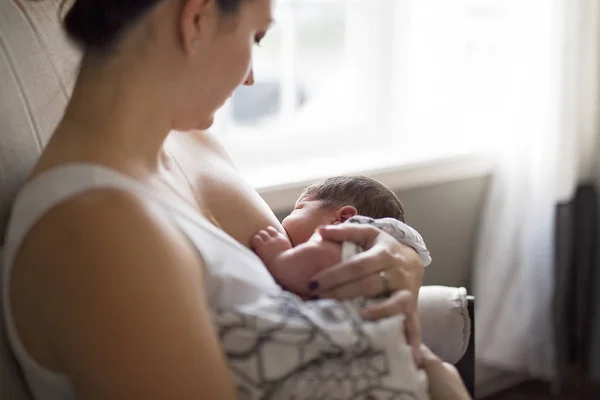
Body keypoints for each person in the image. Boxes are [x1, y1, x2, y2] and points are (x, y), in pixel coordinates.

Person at [1, 0, 471, 398]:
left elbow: (294, 297)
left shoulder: (194, 146)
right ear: (197, 19)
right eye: (257, 37)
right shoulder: (95, 230)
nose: (250, 77)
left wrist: (394, 260)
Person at [251, 175, 432, 298]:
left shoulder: (340, 244)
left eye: (298, 209)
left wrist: (278, 258)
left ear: (343, 218)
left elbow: (303, 270)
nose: (284, 220)